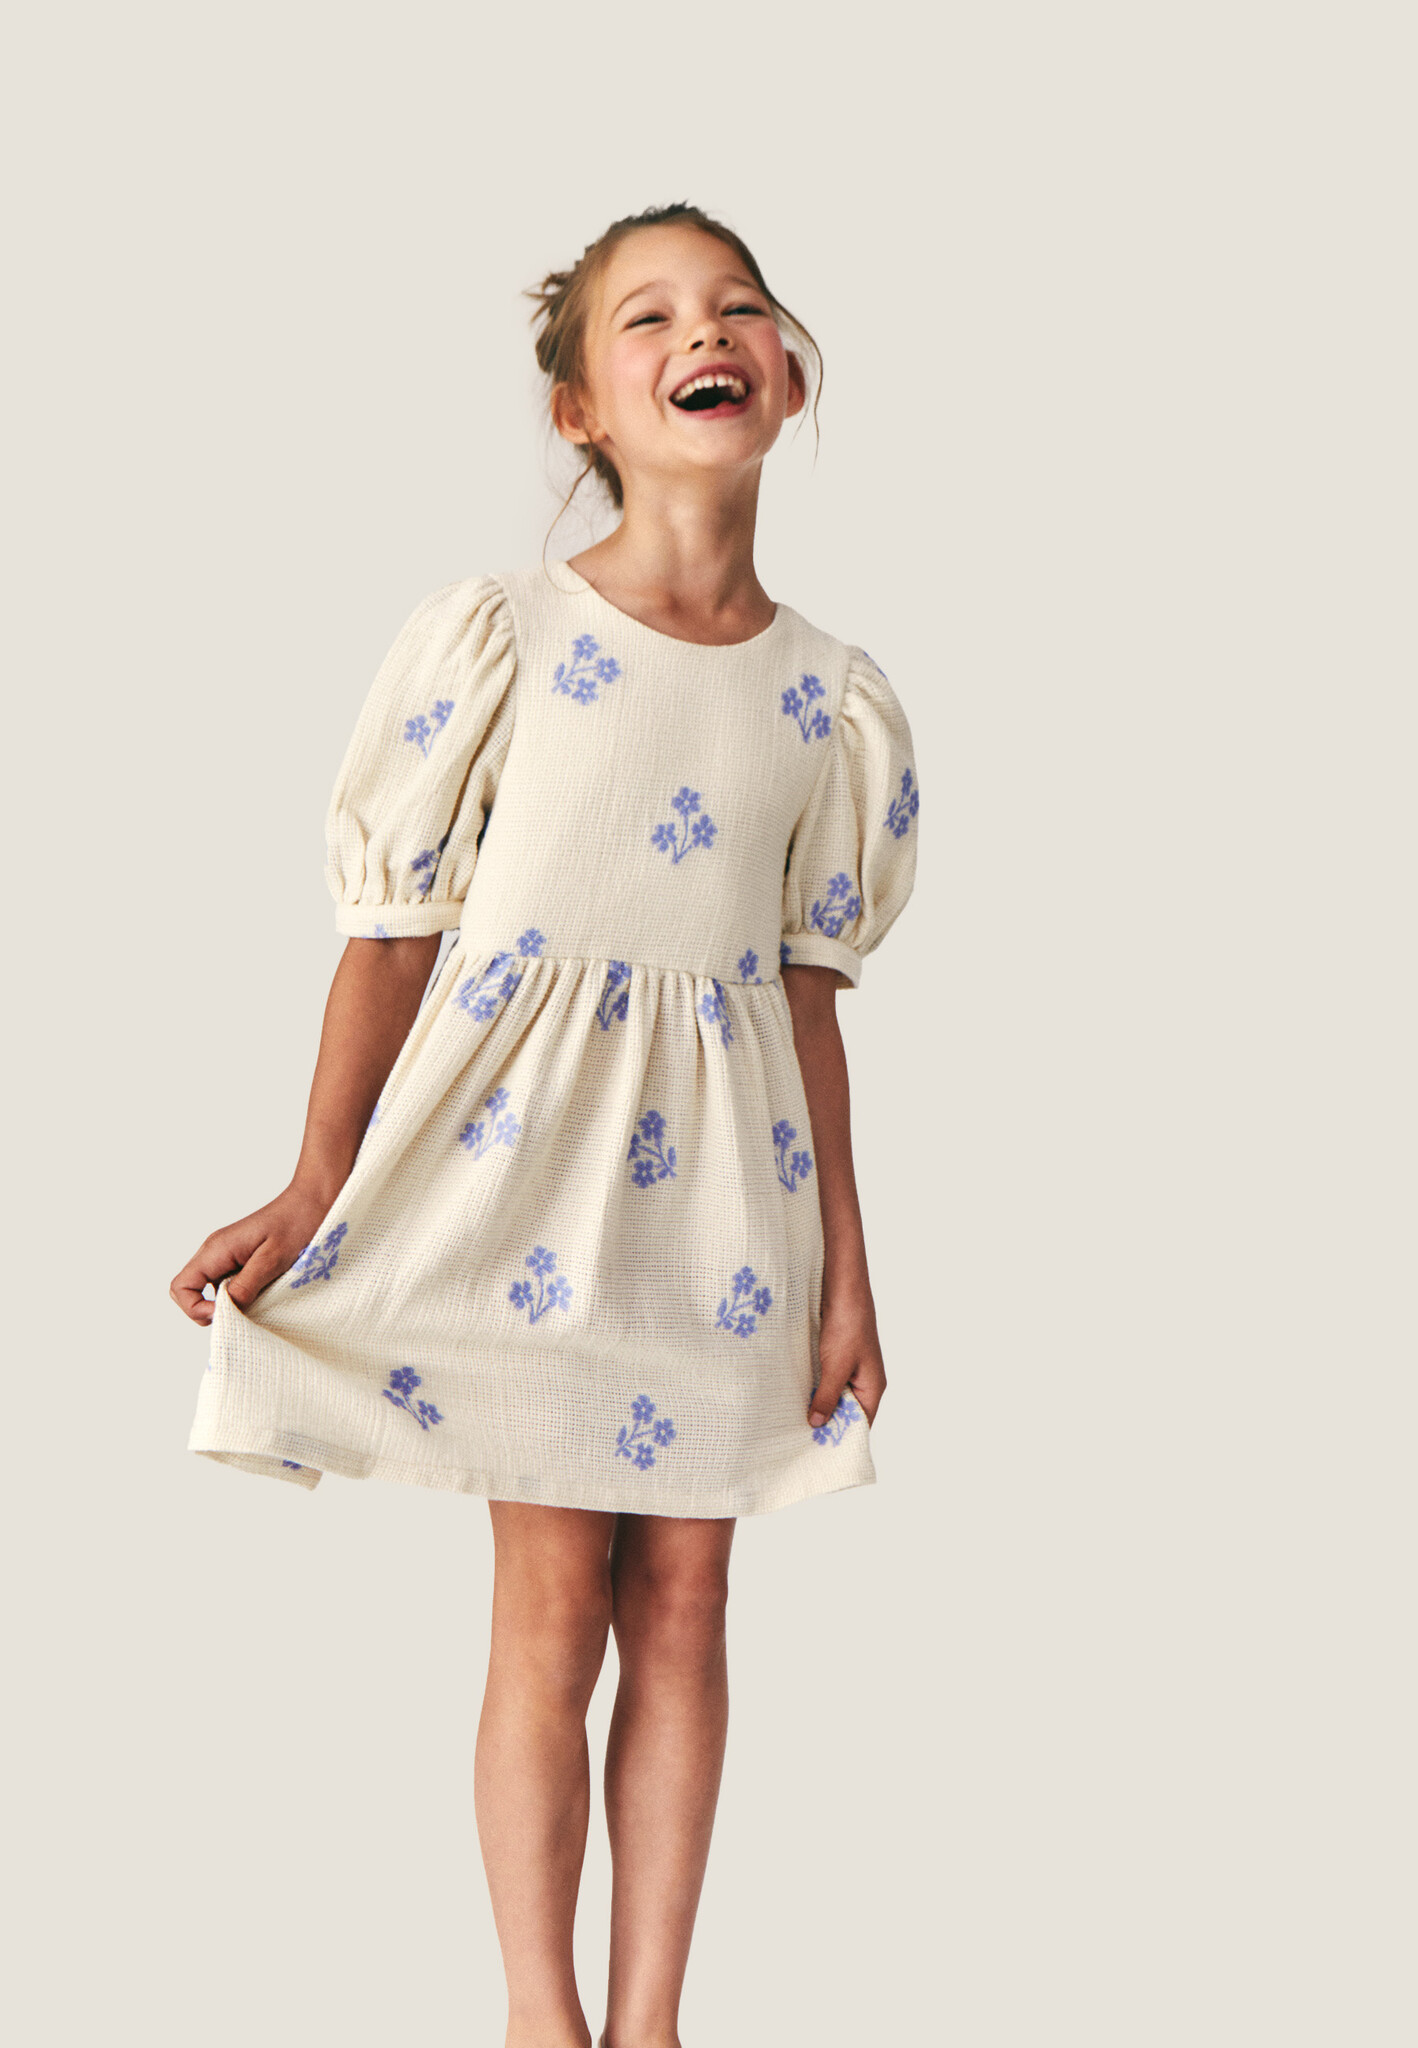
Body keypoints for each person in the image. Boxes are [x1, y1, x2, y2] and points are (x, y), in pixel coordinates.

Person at [172, 201, 920, 2048]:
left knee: (688, 1599)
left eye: (734, 305)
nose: (702, 331)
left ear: (786, 376)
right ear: (582, 408)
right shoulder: (498, 637)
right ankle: (538, 2016)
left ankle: (650, 2024)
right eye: (647, 316)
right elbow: (390, 939)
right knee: (553, 1604)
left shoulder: (830, 698)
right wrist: (317, 1182)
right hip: (519, 1183)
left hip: (723, 1208)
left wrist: (848, 1274)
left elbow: (809, 1005)